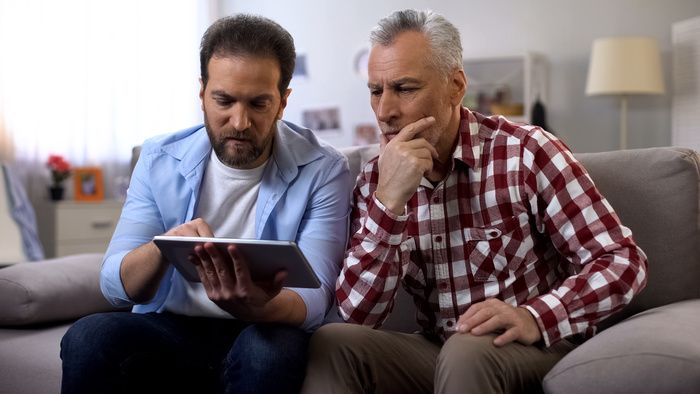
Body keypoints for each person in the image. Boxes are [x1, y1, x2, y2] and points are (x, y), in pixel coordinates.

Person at [302, 9, 648, 394]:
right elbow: (357, 316)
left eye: (404, 88)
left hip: (533, 344)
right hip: (437, 349)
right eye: (375, 91)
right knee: (334, 342)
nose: (385, 111)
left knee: (465, 351)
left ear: (455, 86)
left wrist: (535, 316)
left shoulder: (527, 152)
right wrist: (389, 204)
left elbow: (622, 260)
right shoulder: (375, 181)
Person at [60, 14, 352, 394]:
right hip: (172, 325)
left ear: (283, 101)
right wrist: (166, 246)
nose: (240, 121)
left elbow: (315, 296)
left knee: (269, 354)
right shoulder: (159, 157)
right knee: (89, 335)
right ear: (202, 94)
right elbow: (114, 283)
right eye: (224, 100)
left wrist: (256, 306)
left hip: (264, 327)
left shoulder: (324, 169)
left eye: (259, 104)